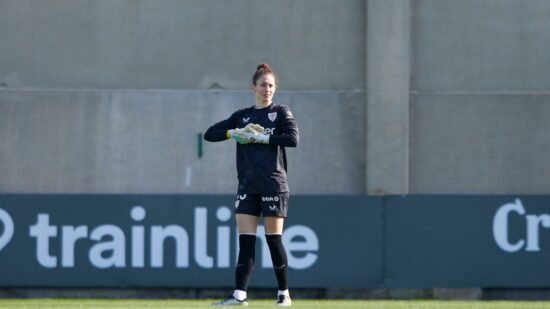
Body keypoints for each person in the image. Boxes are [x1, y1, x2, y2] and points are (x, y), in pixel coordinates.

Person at [204, 63, 299, 307]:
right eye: (262, 85)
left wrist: (263, 137)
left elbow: (292, 138)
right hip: (247, 185)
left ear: (275, 88)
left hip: (273, 184)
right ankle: (239, 295)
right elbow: (210, 134)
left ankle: (283, 294)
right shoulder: (243, 116)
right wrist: (234, 132)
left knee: (273, 239)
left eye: (270, 85)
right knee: (246, 241)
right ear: (252, 87)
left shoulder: (280, 112)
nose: (266, 89)